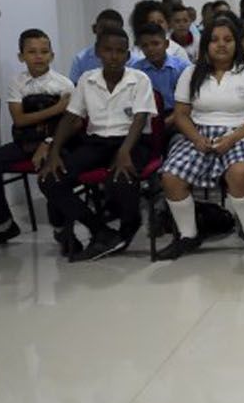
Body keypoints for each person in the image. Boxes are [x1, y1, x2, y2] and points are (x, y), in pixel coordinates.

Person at [156, 19, 244, 260]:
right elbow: (180, 115)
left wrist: (232, 139)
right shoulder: (190, 73)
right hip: (198, 133)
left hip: (242, 133)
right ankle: (188, 235)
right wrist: (197, 139)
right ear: (205, 44)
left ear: (237, 44)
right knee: (170, 177)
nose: (221, 45)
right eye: (215, 40)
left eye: (228, 40)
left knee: (240, 172)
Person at [38, 27, 156, 261]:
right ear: (97, 52)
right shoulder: (86, 79)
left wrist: (124, 151)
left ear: (128, 55)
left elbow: (140, 118)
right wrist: (54, 151)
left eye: (120, 51)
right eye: (108, 50)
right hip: (96, 142)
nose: (114, 56)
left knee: (121, 179)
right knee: (50, 180)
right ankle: (100, 229)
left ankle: (130, 224)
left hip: (132, 141)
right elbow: (71, 117)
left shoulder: (139, 79)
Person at [0, 29, 75, 254]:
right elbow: (19, 119)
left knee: (53, 171)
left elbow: (69, 123)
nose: (38, 56)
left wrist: (49, 141)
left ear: (52, 55)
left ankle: (61, 229)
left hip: (57, 142)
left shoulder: (64, 84)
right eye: (31, 52)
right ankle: (2, 225)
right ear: (21, 56)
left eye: (44, 51)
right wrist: (56, 108)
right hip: (25, 141)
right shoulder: (16, 82)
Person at [130, 22, 191, 130]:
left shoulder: (183, 67)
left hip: (177, 115)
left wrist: (170, 120)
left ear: (166, 44)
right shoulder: (135, 70)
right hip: (146, 118)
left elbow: (191, 101)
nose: (151, 49)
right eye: (145, 45)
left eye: (155, 43)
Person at [68, 9, 143, 83]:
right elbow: (74, 89)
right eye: (104, 29)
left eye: (114, 30)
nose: (108, 34)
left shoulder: (135, 62)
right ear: (94, 28)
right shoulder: (81, 60)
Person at [129, 0, 190, 64]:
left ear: (167, 23)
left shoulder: (177, 51)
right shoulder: (134, 52)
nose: (157, 26)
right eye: (152, 22)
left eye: (160, 22)